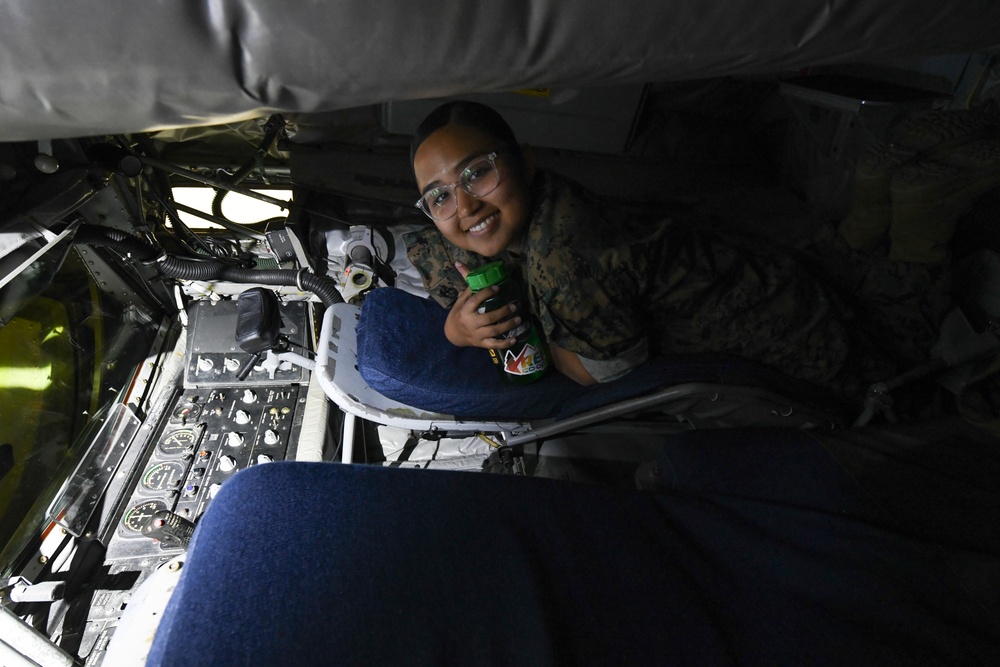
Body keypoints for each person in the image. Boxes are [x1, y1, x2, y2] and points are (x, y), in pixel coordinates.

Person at [403, 101, 968, 401]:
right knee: (843, 267)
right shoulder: (527, 212)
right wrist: (458, 330)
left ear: (523, 162)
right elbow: (432, 252)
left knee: (898, 358)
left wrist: (519, 322)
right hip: (760, 265)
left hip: (784, 325)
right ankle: (875, 195)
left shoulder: (569, 255)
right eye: (440, 196)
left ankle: (926, 214)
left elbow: (594, 374)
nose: (466, 206)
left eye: (478, 172)